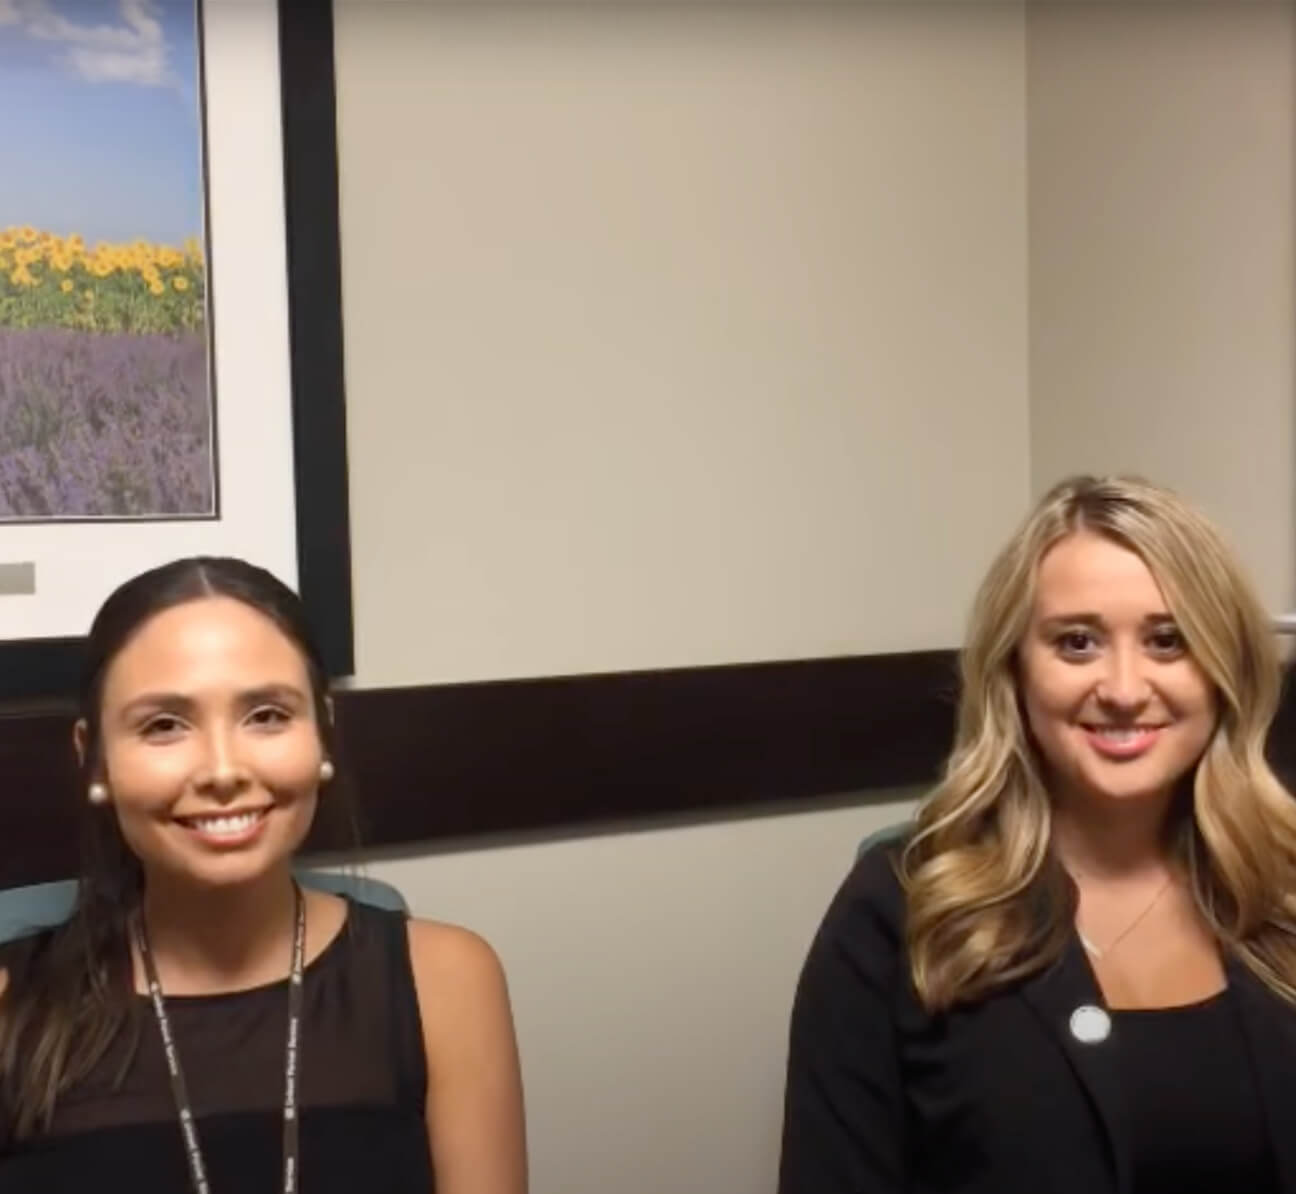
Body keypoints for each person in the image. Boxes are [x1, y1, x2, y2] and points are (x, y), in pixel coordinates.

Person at [778, 475, 1296, 1194]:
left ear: (1225, 669)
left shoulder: (1284, 887)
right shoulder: (901, 911)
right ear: (1015, 672)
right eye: (1076, 642)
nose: (1122, 687)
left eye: (1167, 641)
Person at [0, 557, 526, 1194]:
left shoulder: (447, 982)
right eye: (164, 725)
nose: (223, 770)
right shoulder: (11, 1004)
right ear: (96, 761)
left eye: (268, 716)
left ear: (323, 735)